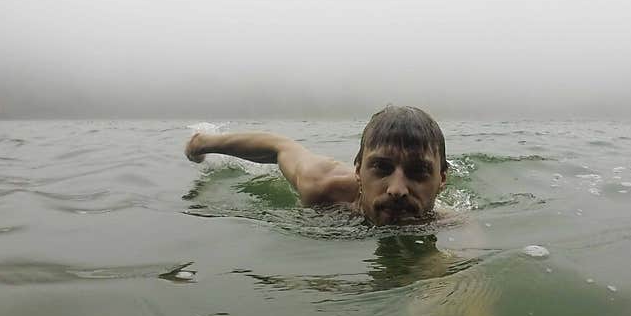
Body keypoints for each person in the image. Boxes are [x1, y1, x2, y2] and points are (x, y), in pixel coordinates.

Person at [184, 105, 448, 226]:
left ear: (442, 179)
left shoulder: (448, 221)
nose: (397, 189)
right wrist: (205, 144)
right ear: (358, 170)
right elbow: (280, 146)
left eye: (417, 172)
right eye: (381, 167)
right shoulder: (322, 185)